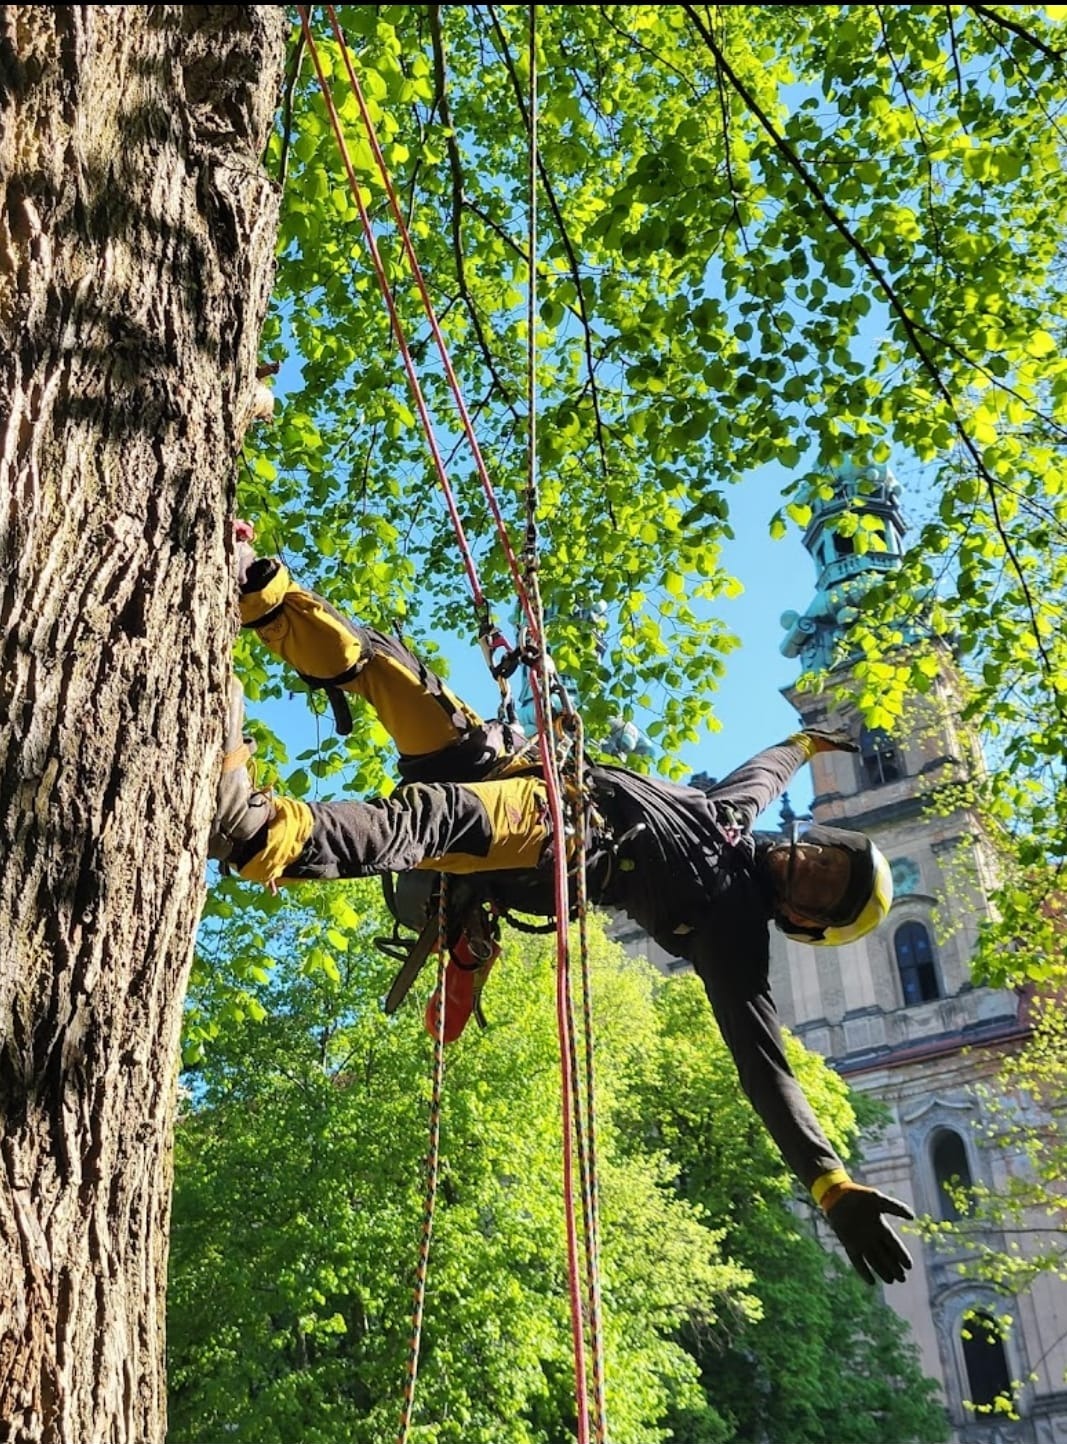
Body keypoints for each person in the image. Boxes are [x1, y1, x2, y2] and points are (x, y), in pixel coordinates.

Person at [209, 528, 914, 1287]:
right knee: (396, 676)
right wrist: (806, 743)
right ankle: (258, 591)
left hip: (556, 832)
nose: (806, 864)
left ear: (804, 921)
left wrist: (828, 1181)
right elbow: (767, 769)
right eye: (823, 854)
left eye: (818, 885)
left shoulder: (729, 931)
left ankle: (258, 835)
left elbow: (764, 1070)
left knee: (430, 819)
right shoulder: (731, 817)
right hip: (509, 758)